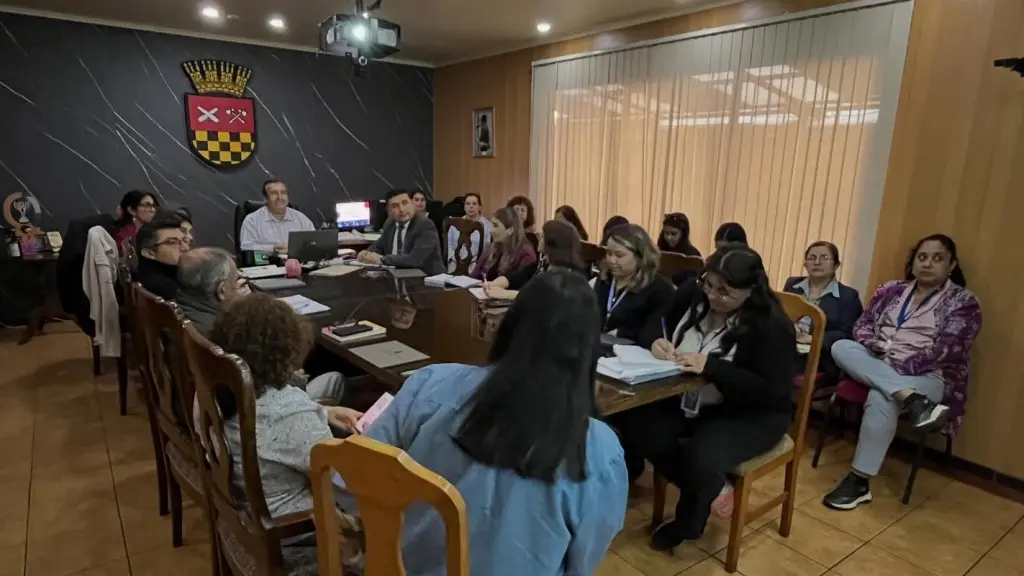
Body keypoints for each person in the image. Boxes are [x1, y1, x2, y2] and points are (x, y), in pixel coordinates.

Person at [344, 269, 628, 576]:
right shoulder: (599, 450)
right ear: (587, 351)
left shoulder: (431, 384)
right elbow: (583, 561)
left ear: (509, 324)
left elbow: (349, 478)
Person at [613, 244, 795, 551]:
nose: (712, 296)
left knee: (703, 454)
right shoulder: (693, 292)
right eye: (708, 285)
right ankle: (710, 485)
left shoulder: (771, 326)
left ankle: (689, 521)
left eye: (725, 292)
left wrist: (712, 367)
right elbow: (655, 323)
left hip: (751, 413)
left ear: (751, 290)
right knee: (636, 424)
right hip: (688, 397)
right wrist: (655, 341)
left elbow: (770, 390)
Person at [822, 234, 982, 511]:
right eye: (922, 257)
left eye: (937, 258)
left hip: (927, 376)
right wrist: (870, 344)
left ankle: (859, 481)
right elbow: (862, 325)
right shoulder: (891, 290)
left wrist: (898, 367)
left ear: (952, 265)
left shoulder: (963, 302)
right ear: (913, 261)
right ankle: (911, 399)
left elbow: (949, 349)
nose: (927, 264)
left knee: (881, 395)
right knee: (841, 346)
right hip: (877, 360)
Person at [209, 293, 363, 573]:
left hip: (243, 512)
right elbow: (343, 484)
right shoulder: (291, 414)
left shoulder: (216, 385)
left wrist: (323, 411)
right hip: (291, 532)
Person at [783, 241, 862, 384]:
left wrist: (812, 339)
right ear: (805, 264)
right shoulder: (792, 285)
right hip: (787, 345)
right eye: (812, 258)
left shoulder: (848, 296)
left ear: (836, 265)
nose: (817, 262)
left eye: (824, 258)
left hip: (819, 356)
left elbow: (847, 333)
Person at [593, 224, 674, 342]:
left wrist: (623, 333)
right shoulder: (605, 279)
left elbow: (653, 333)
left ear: (640, 256)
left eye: (619, 255)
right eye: (609, 253)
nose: (611, 260)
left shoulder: (660, 289)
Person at [484, 219, 584, 299]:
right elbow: (517, 276)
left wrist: (504, 294)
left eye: (543, 236)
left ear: (553, 243)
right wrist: (494, 284)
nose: (539, 238)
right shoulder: (544, 263)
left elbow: (540, 296)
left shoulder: (564, 273)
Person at [358, 189, 445, 275]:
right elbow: (379, 246)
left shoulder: (425, 225)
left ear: (412, 203)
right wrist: (365, 254)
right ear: (389, 211)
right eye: (395, 206)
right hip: (396, 276)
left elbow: (415, 260)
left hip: (426, 279)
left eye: (405, 203)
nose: (402, 209)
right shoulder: (390, 223)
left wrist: (382, 259)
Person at [239, 180, 315, 254]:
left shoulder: (301, 218)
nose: (280, 197)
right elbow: (246, 247)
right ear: (265, 198)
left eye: (283, 193)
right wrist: (272, 249)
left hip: (298, 260)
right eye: (274, 193)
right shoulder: (252, 220)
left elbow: (314, 242)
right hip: (267, 261)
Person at [470, 207, 536, 281]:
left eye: (496, 226)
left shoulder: (525, 253)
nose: (491, 230)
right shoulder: (491, 247)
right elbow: (474, 276)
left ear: (510, 230)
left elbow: (522, 284)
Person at [135, 211, 189, 301]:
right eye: (172, 242)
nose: (185, 248)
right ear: (149, 253)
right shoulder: (169, 289)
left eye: (184, 240)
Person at [446, 193, 493, 272]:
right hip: (455, 264)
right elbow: (449, 244)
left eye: (474, 204)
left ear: (479, 207)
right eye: (468, 204)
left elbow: (487, 248)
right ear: (464, 207)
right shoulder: (455, 224)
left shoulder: (488, 226)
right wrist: (454, 260)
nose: (471, 206)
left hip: (476, 265)